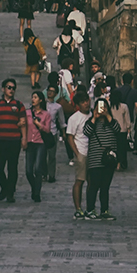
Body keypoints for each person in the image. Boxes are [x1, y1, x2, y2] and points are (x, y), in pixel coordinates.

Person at [0, 78, 27, 203]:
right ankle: (5, 187)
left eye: (13, 88)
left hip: (14, 140)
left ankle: (10, 193)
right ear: (3, 89)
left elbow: (23, 122)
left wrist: (24, 138)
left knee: (12, 167)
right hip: (0, 140)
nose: (11, 90)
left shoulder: (19, 105)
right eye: (9, 87)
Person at [84, 98, 121, 220]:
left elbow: (118, 129)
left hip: (109, 160)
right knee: (94, 185)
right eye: (100, 107)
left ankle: (105, 210)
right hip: (95, 160)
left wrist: (108, 116)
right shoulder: (91, 122)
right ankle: (90, 209)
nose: (102, 109)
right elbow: (87, 132)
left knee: (105, 187)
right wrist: (94, 117)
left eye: (104, 107)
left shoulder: (111, 122)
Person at [65, 89, 91, 218]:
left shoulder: (93, 115)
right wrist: (77, 153)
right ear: (78, 105)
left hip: (93, 153)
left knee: (92, 182)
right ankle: (78, 207)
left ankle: (90, 207)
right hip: (81, 151)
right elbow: (70, 137)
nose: (86, 104)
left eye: (87, 101)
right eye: (83, 102)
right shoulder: (74, 118)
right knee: (80, 181)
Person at [24, 90, 53, 203]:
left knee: (38, 169)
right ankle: (34, 187)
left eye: (35, 97)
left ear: (40, 100)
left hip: (40, 143)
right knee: (28, 171)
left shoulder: (46, 114)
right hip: (29, 142)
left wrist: (39, 125)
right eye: (32, 97)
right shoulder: (27, 113)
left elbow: (47, 130)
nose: (33, 99)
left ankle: (37, 193)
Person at [44, 84, 66, 182]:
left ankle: (51, 175)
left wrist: (64, 133)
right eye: (49, 90)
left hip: (52, 132)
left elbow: (62, 121)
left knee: (52, 155)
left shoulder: (58, 107)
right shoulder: (42, 104)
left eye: (52, 91)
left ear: (56, 94)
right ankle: (43, 173)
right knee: (42, 155)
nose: (50, 92)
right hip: (42, 132)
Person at [109, 81, 132, 171]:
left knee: (113, 147)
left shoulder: (110, 106)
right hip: (122, 130)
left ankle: (113, 162)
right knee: (122, 148)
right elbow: (127, 119)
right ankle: (121, 163)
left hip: (112, 130)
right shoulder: (124, 106)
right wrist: (129, 128)